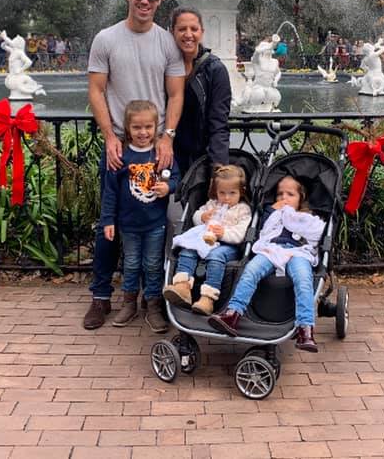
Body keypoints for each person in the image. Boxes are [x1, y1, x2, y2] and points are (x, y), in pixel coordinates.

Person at [84, 0, 185, 330]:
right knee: (110, 221)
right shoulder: (106, 39)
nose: (144, 1)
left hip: (155, 146)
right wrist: (110, 136)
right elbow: (96, 90)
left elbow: (176, 93)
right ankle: (101, 298)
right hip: (119, 146)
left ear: (159, 1)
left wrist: (168, 136)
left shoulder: (166, 42)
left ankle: (152, 298)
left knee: (154, 222)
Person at [209, 176, 324, 352]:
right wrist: (273, 211)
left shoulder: (308, 217)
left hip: (298, 253)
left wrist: (293, 218)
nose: (283, 198)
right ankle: (232, 314)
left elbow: (316, 234)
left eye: (290, 194)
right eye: (279, 194)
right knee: (251, 270)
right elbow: (264, 231)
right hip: (272, 249)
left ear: (301, 197)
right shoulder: (273, 213)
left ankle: (305, 328)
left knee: (303, 280)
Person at [99, 100, 179, 332]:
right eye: (136, 128)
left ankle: (153, 306)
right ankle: (129, 303)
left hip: (155, 224)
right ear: (127, 128)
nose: (143, 132)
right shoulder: (121, 156)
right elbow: (110, 192)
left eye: (148, 127)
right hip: (128, 225)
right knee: (131, 264)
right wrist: (108, 221)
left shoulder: (161, 153)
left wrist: (169, 187)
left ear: (156, 128)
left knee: (153, 265)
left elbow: (176, 177)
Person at [163, 165, 252, 315]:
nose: (226, 197)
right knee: (188, 248)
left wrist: (223, 233)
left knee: (215, 256)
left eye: (232, 193)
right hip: (204, 240)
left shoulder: (243, 209)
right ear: (215, 191)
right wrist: (202, 217)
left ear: (241, 192)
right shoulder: (213, 204)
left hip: (227, 246)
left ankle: (208, 298)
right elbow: (197, 216)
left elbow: (240, 235)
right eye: (222, 193)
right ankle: (182, 286)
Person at [169, 7, 232, 174]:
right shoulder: (163, 65)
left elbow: (219, 123)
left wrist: (218, 169)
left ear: (202, 32)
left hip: (201, 158)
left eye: (194, 29)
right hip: (167, 154)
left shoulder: (215, 69)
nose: (188, 34)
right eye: (182, 29)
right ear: (171, 31)